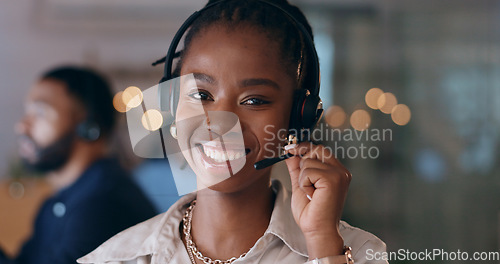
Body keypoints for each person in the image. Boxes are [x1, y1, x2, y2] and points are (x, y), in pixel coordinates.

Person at [78, 0, 387, 263]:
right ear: (172, 105)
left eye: (254, 100)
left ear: (297, 119)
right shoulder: (116, 258)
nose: (219, 124)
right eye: (201, 95)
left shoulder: (356, 252)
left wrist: (321, 243)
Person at [0, 66, 157, 264]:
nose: (21, 125)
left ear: (87, 128)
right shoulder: (60, 201)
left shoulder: (103, 203)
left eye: (40, 112)